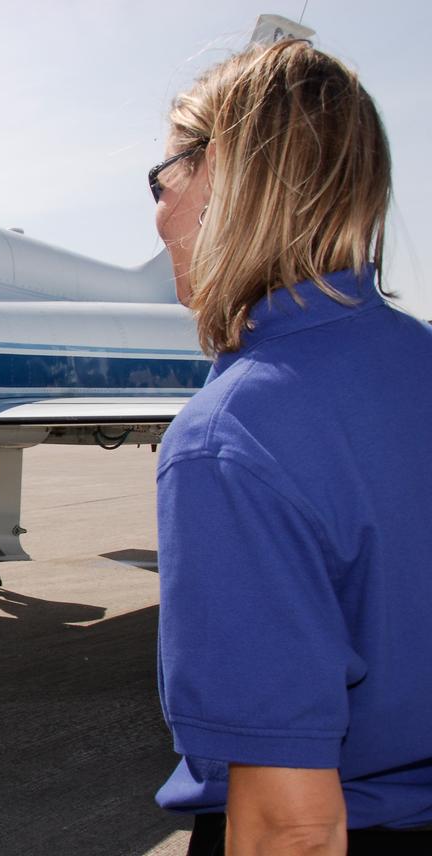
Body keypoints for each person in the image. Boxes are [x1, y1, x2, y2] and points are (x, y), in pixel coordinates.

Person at [152, 40, 432, 854]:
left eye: (165, 177)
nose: (161, 212)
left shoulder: (226, 440)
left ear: (227, 179)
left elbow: (291, 829)